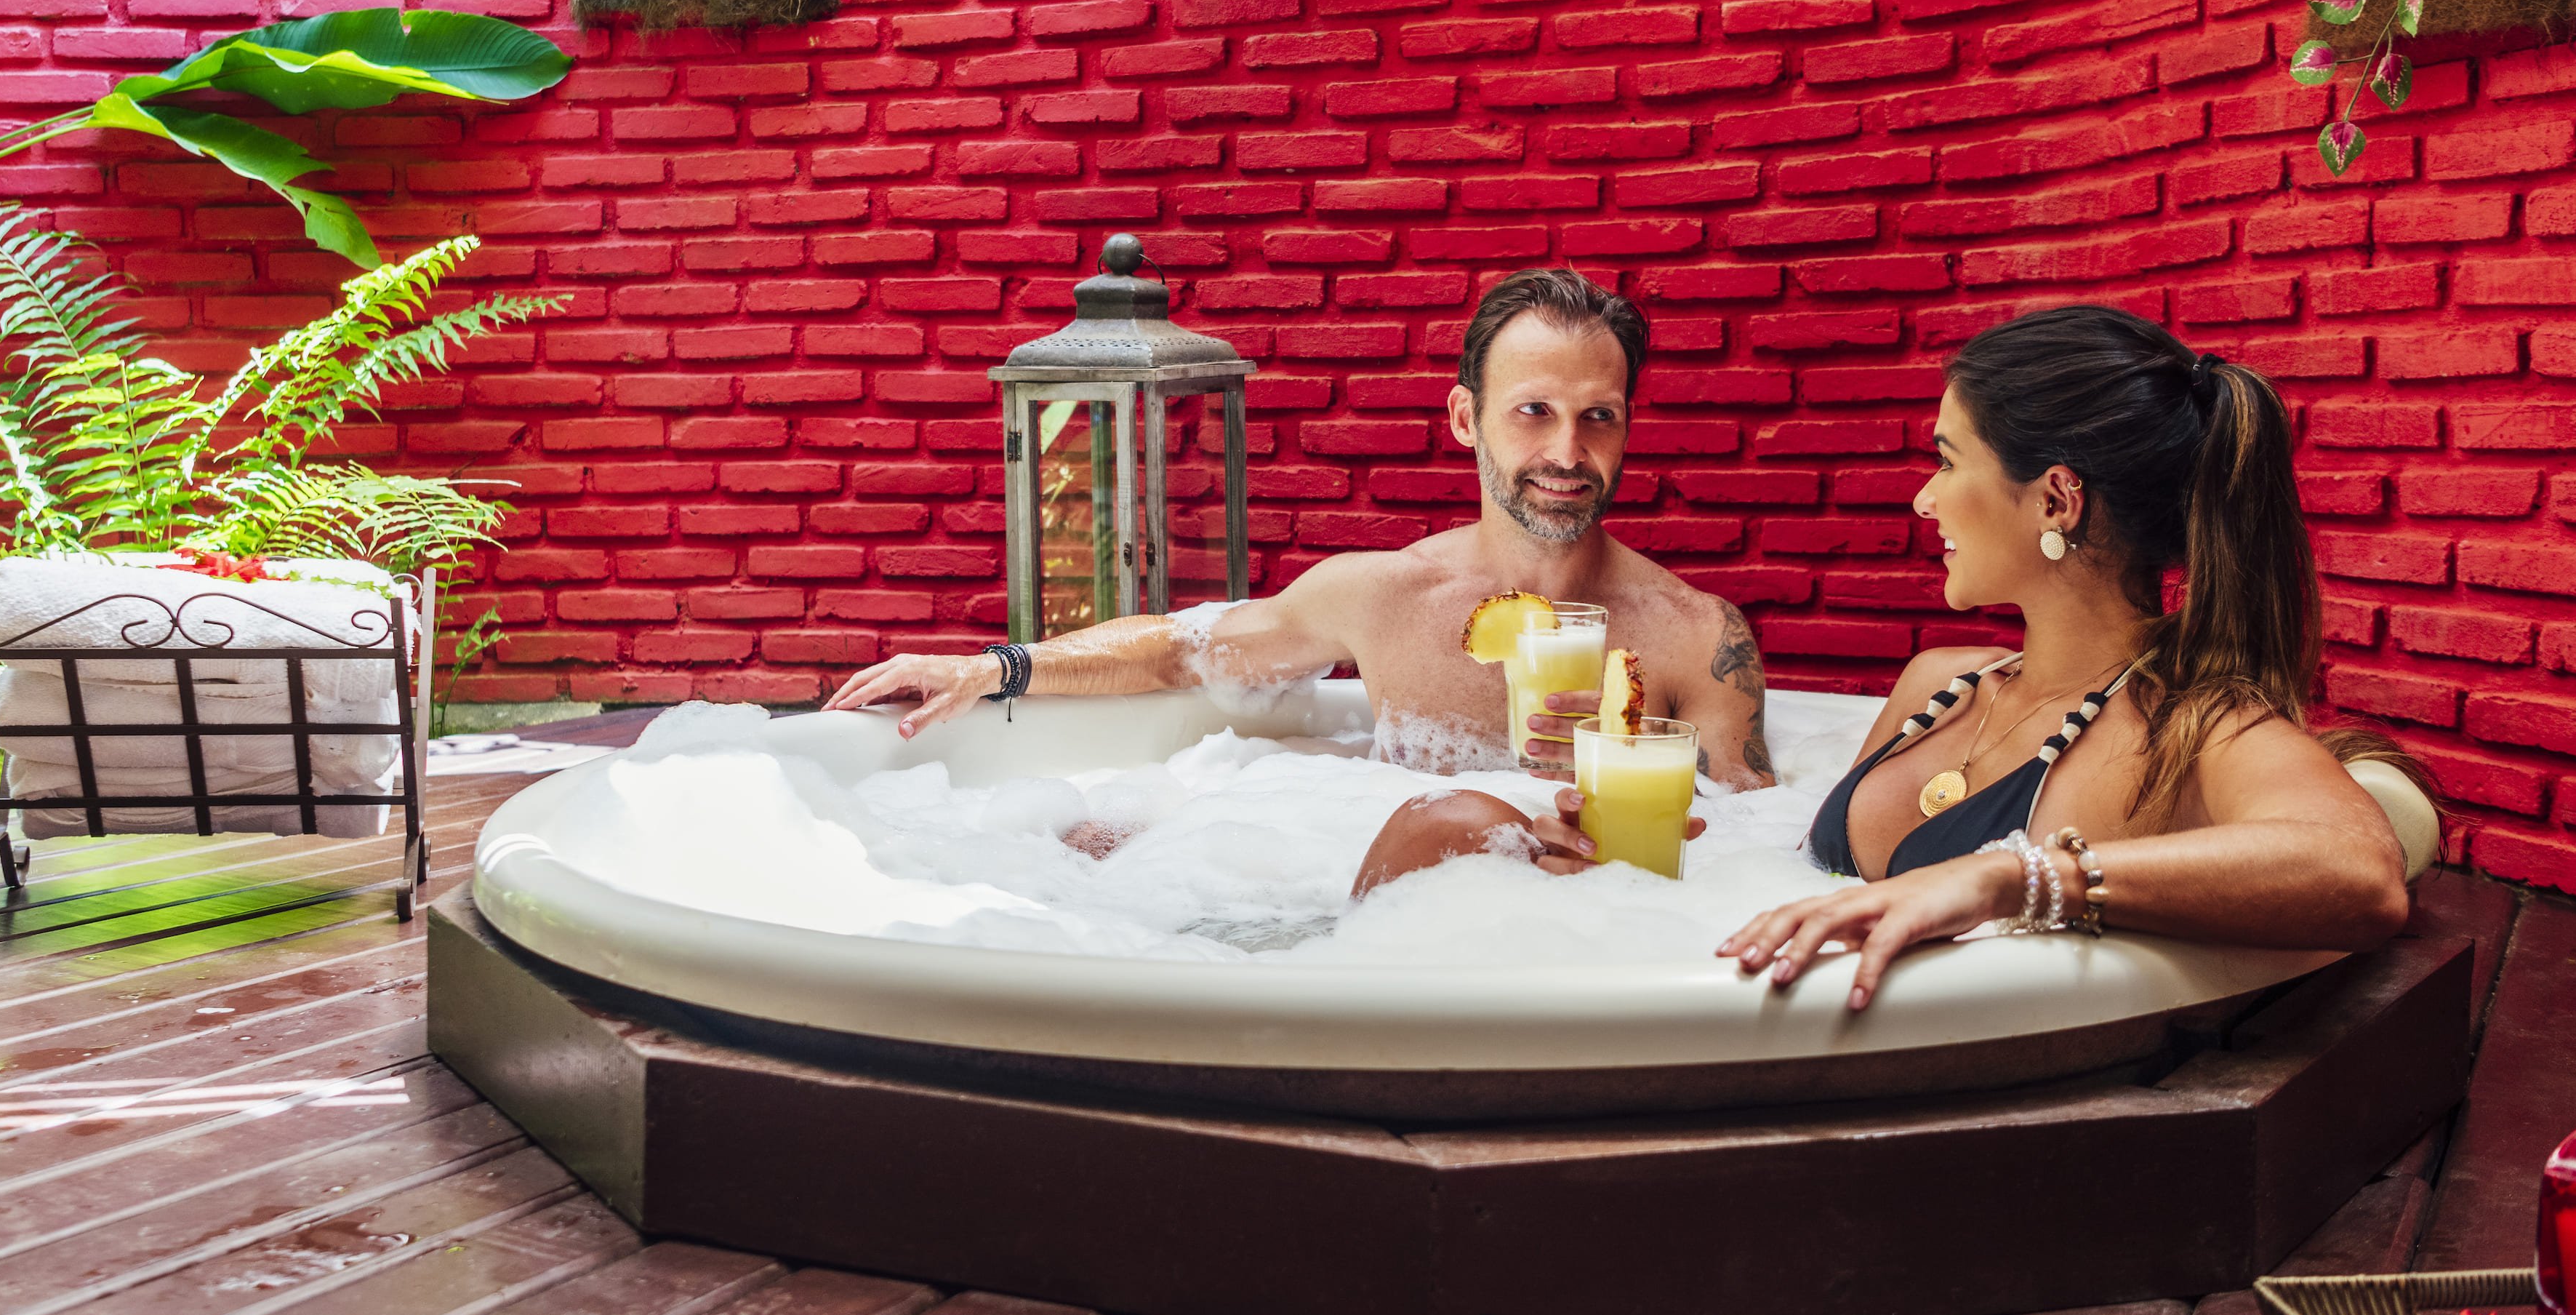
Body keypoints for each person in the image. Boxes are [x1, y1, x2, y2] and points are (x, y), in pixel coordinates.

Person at [822, 267, 1773, 884]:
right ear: (1463, 419)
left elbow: (1754, 841)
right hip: (1391, 927)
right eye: (1532, 412)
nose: (1567, 450)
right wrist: (991, 669)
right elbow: (1180, 651)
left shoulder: (1697, 634)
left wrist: (1648, 839)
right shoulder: (1387, 596)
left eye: (1597, 416)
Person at [1722, 303, 2413, 1011]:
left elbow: (2361, 875)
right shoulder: (1939, 684)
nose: (1925, 500)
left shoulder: (2185, 727)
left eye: (1948, 460)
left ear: (2056, 500)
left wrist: (2009, 878)